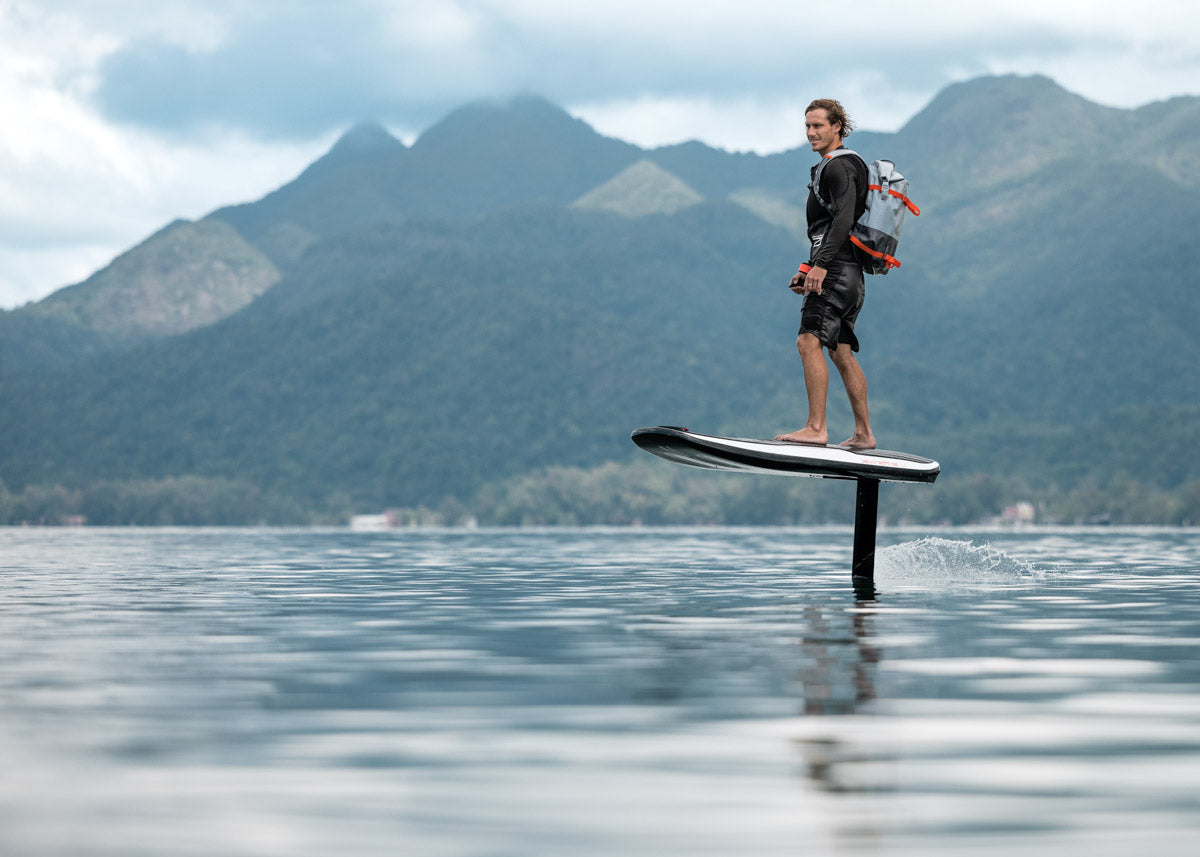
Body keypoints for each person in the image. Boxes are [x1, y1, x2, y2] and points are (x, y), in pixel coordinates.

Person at [775, 99, 876, 450]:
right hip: (849, 275)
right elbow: (828, 226)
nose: (811, 132)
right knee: (841, 351)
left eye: (818, 125)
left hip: (835, 271)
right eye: (807, 126)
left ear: (837, 127)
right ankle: (863, 433)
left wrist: (821, 266)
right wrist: (808, 267)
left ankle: (816, 427)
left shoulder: (837, 167)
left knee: (808, 341)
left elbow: (844, 218)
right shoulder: (843, 166)